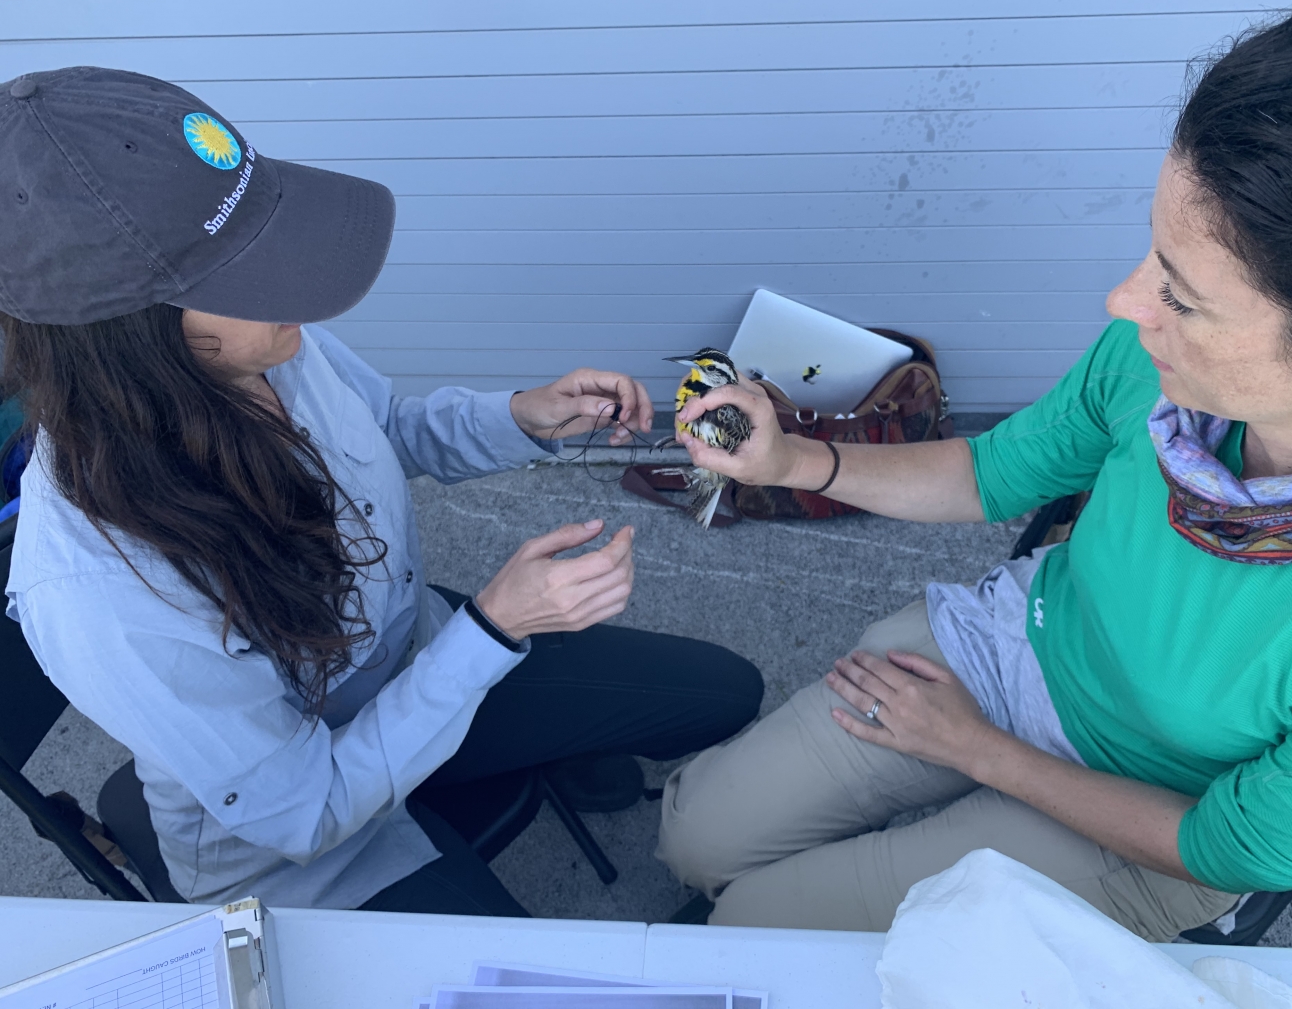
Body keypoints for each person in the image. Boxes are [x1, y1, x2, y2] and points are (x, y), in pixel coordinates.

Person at [657, 0, 1292, 942]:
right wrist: (792, 457)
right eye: (1153, 255)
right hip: (1024, 648)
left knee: (754, 924)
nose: (1124, 302)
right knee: (693, 839)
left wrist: (980, 751)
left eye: (1181, 294)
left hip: (1147, 815)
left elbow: (1227, 849)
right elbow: (990, 475)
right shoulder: (1158, 370)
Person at [0, 67, 762, 913]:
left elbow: (386, 427)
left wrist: (522, 416)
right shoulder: (98, 590)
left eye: (270, 239)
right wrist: (496, 628)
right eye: (246, 275)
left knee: (726, 696)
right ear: (130, 338)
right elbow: (308, 810)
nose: (294, 288)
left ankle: (505, 761)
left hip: (416, 655)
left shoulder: (263, 347)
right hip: (304, 852)